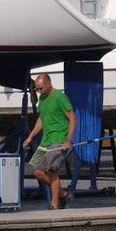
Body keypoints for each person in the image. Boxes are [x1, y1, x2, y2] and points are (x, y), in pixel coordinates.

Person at [21, 73, 76, 210]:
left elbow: (73, 119)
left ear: (49, 84)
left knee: (52, 170)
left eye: (41, 88)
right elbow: (41, 119)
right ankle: (63, 194)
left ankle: (54, 205)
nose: (39, 91)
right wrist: (30, 137)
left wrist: (69, 139)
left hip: (58, 140)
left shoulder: (59, 97)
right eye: (37, 89)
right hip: (45, 141)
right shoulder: (42, 98)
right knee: (37, 171)